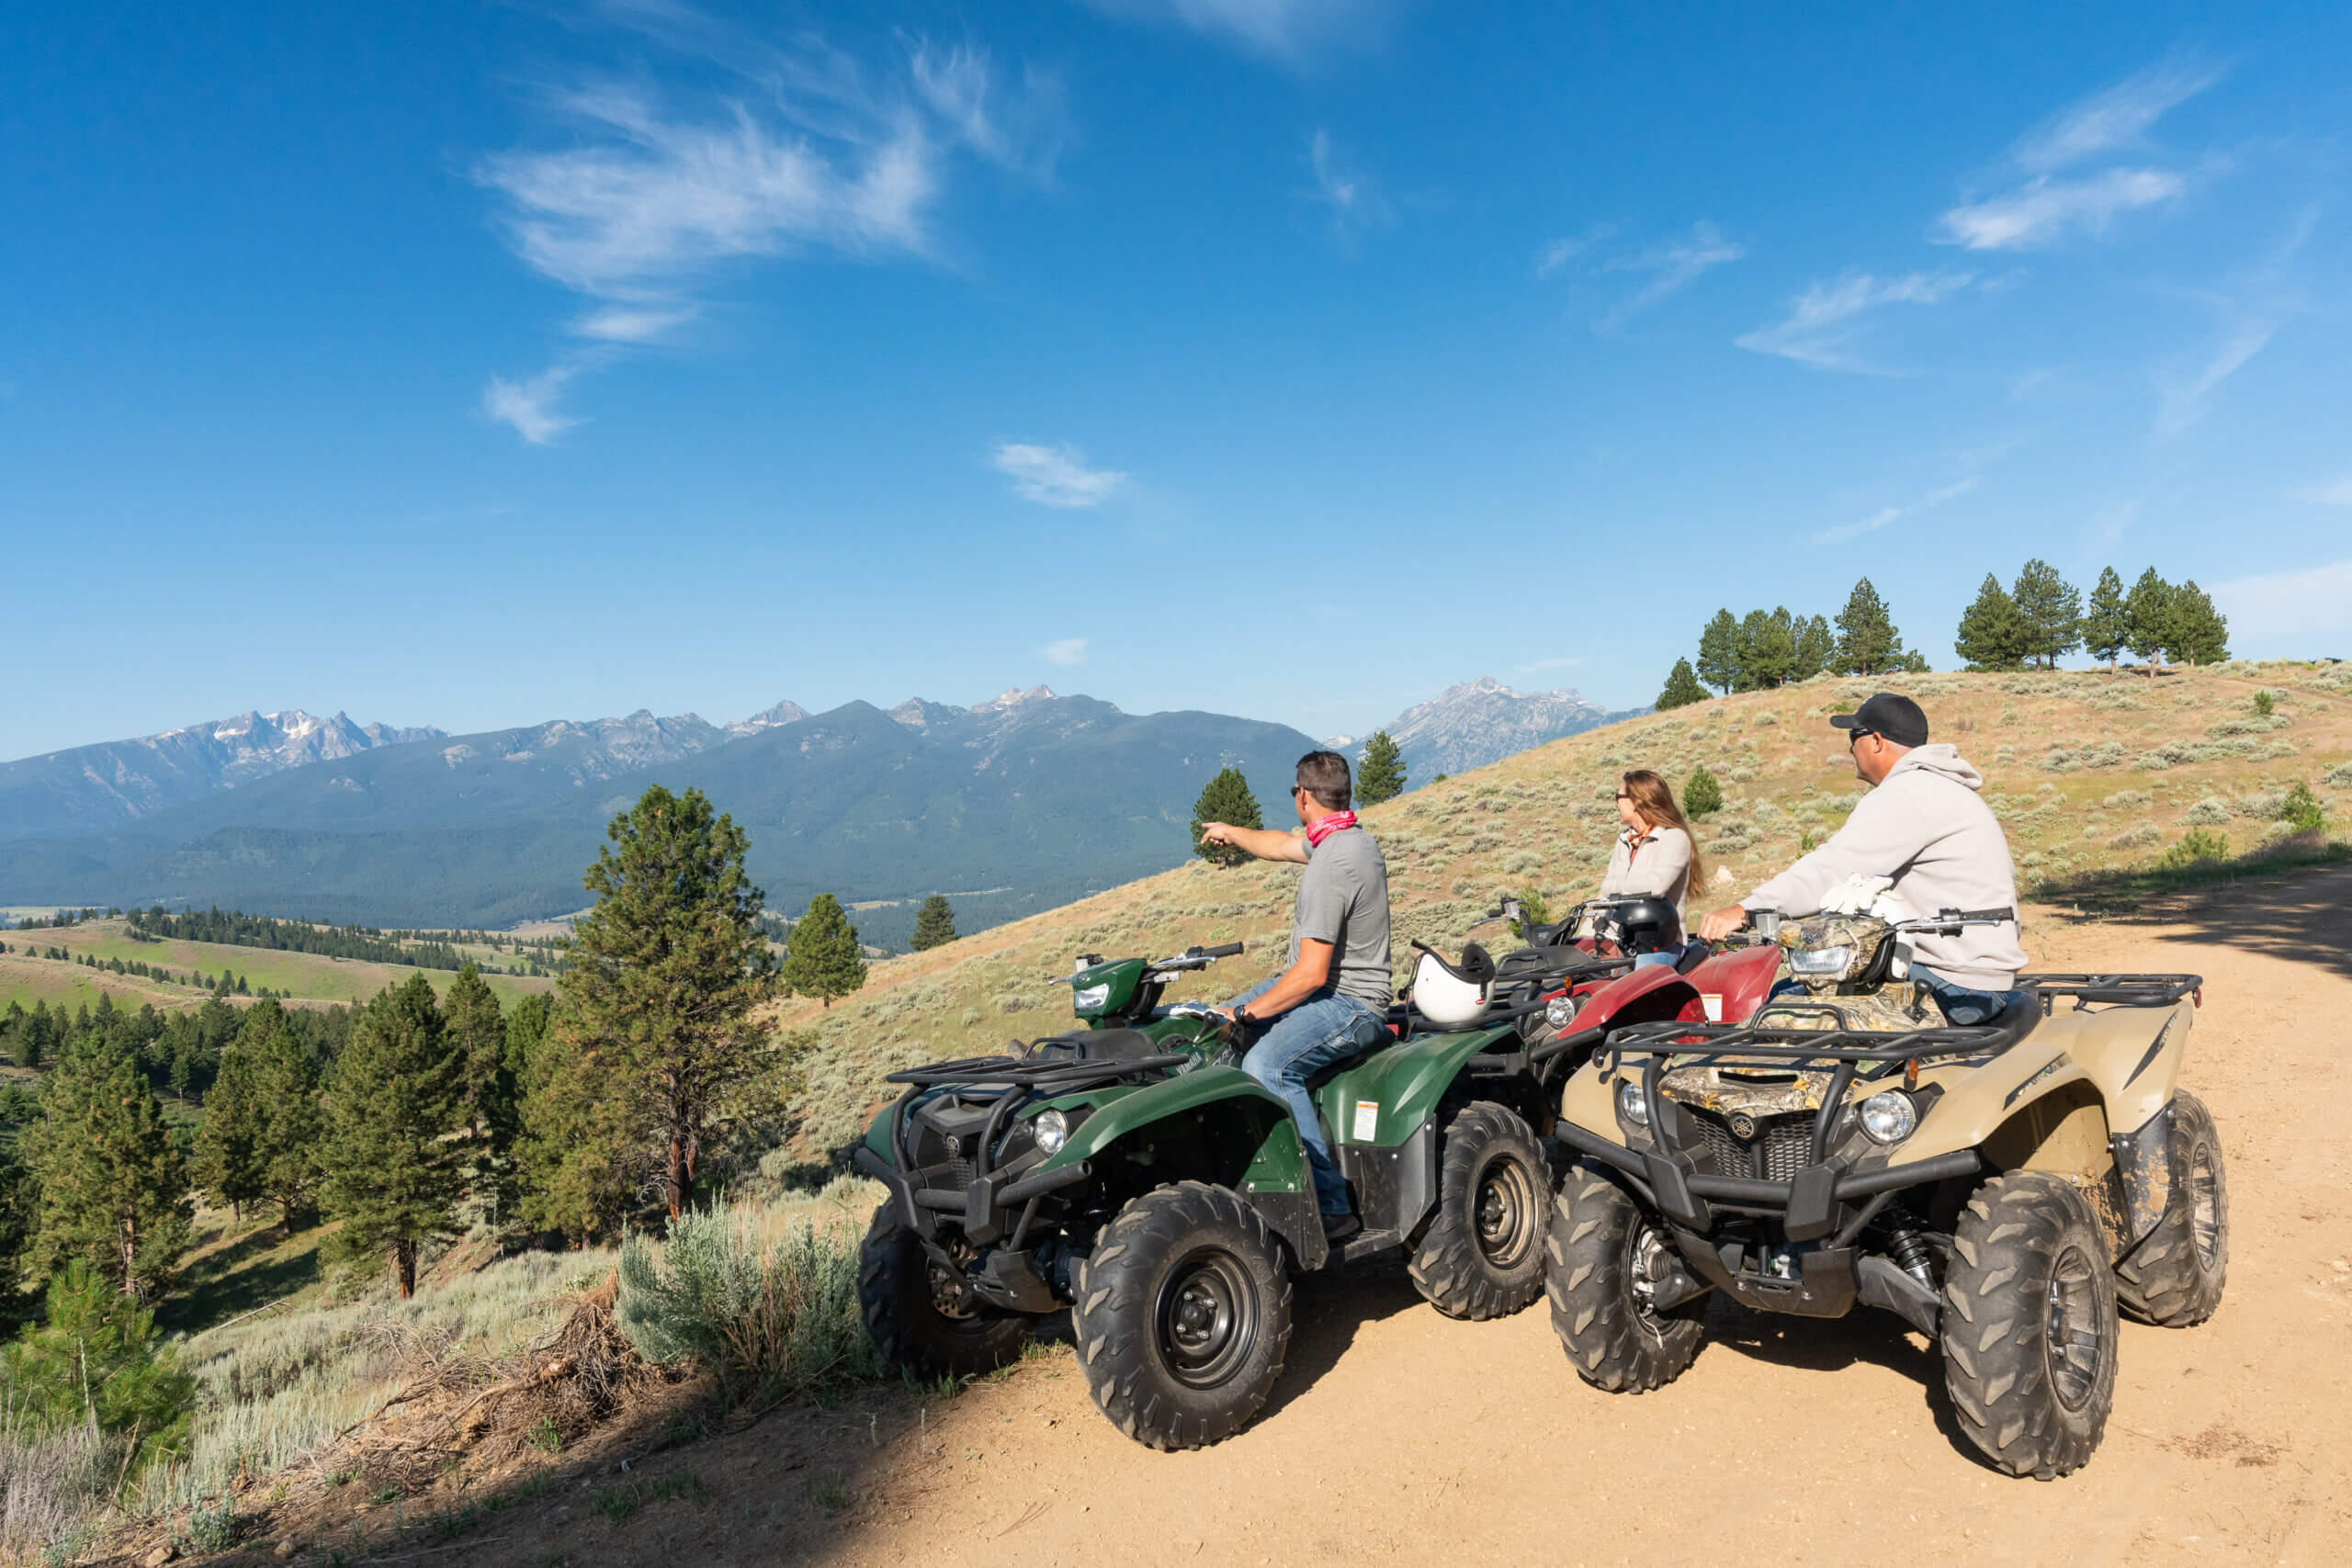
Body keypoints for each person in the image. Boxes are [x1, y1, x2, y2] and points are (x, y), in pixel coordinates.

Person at [1696, 692, 2029, 1024]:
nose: (1849, 749)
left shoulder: (1909, 794)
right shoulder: (1940, 788)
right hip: (1975, 974)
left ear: (1876, 741)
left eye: (1853, 738)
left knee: (1782, 1005)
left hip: (1955, 982)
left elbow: (1833, 869)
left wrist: (1745, 910)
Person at [1198, 750, 1393, 1241]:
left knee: (1267, 1065)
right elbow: (1282, 845)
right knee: (1210, 1023)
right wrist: (1231, 831)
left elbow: (1309, 976)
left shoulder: (1335, 863)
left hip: (1352, 1004)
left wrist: (1248, 1013)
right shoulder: (1343, 837)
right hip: (1328, 990)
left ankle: (1328, 1204)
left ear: (1302, 795)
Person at [1594, 769, 1704, 967]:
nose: (1617, 803)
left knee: (1638, 984)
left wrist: (1609, 889)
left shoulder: (1673, 837)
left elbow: (1656, 886)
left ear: (1637, 801)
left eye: (1618, 797)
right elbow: (1603, 899)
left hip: (1660, 944)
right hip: (1619, 940)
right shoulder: (1624, 841)